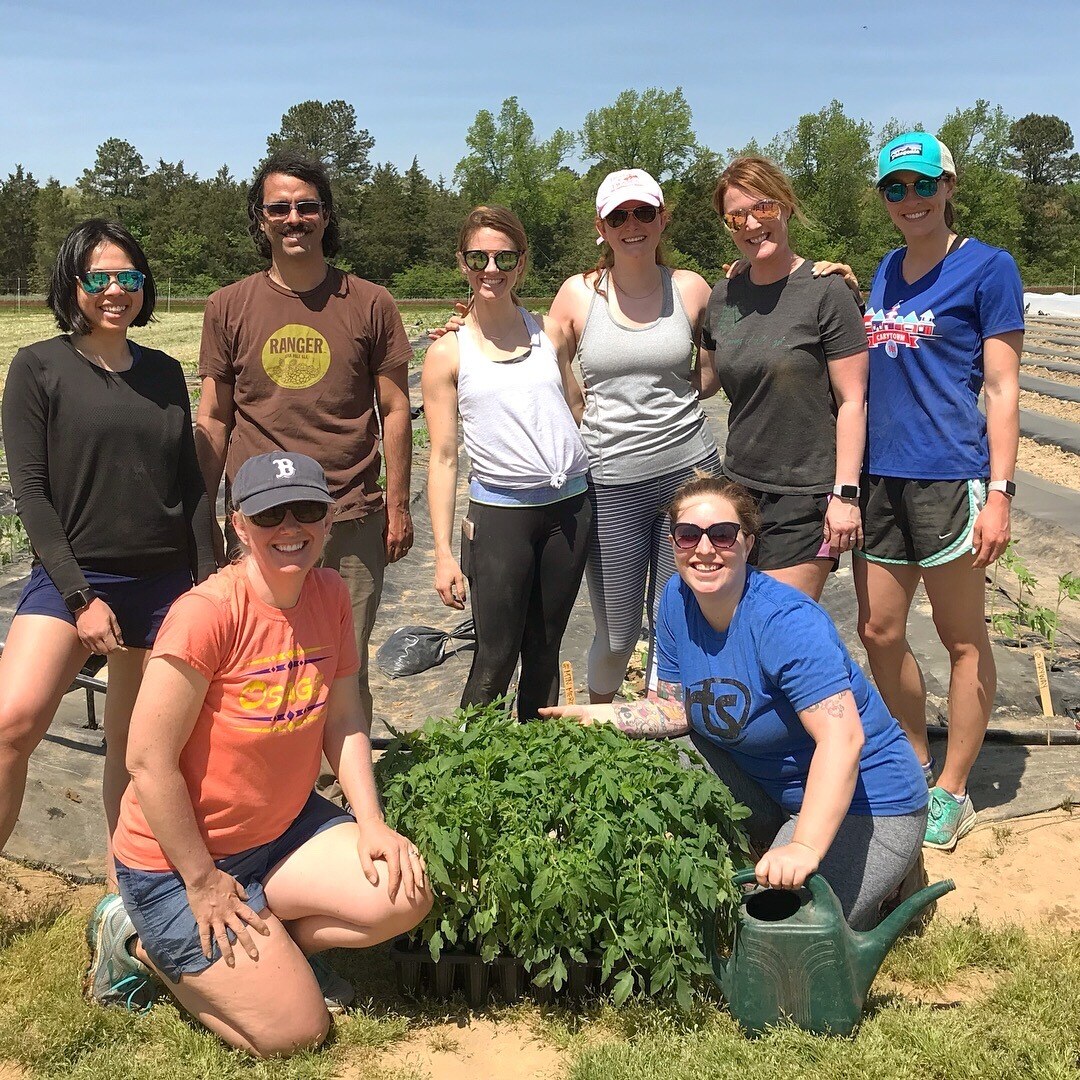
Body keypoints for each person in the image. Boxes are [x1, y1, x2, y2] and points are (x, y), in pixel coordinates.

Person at [88, 452, 432, 1058]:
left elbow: (345, 716)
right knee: (296, 1033)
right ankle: (136, 940)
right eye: (270, 514)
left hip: (280, 833)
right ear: (238, 526)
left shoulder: (328, 594)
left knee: (404, 895)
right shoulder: (208, 615)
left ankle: (269, 944)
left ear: (328, 521)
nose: (290, 527)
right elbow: (147, 760)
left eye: (306, 510)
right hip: (178, 862)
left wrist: (370, 821)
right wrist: (201, 882)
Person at [542, 474, 928, 931]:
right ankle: (776, 847)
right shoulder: (676, 600)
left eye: (722, 535)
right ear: (674, 543)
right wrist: (600, 716)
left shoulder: (785, 622)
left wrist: (803, 846)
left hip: (870, 803)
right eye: (689, 535)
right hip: (770, 792)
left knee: (779, 936)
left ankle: (892, 869)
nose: (705, 549)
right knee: (665, 758)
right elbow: (673, 709)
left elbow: (843, 740)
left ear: (747, 543)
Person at [436, 170, 720, 701]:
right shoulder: (576, 297)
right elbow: (543, 367)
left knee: (679, 621)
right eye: (618, 216)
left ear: (663, 219)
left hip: (688, 477)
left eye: (642, 213)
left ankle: (665, 740)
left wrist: (827, 280)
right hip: (610, 482)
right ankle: (601, 734)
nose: (631, 225)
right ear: (602, 227)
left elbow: (711, 372)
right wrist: (464, 326)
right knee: (615, 634)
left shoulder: (691, 289)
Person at [0, 219, 215, 873]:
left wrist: (210, 584)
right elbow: (32, 496)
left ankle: (129, 887)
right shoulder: (39, 367)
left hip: (165, 581)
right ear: (74, 284)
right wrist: (80, 597)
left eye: (130, 277)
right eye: (101, 277)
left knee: (136, 747)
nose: (116, 289)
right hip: (77, 578)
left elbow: (193, 486)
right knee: (12, 725)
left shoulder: (163, 373)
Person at [195, 150, 415, 731]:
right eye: (280, 208)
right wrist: (200, 515)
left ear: (325, 216)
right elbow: (215, 418)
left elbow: (395, 410)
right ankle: (267, 786)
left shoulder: (370, 303)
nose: (294, 218)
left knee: (343, 666)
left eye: (307, 207)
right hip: (259, 519)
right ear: (261, 218)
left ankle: (344, 792)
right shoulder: (227, 307)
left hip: (348, 514)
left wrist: (396, 506)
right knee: (257, 663)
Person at [853, 133, 1024, 850]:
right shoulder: (886, 270)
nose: (911, 200)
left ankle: (953, 791)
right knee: (878, 632)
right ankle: (916, 764)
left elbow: (1004, 386)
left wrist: (1002, 492)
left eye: (923, 185)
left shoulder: (988, 268)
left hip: (950, 477)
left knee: (960, 638)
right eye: (896, 189)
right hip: (881, 479)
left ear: (949, 185)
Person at [422, 206, 592, 720]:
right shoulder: (448, 353)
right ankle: (469, 773)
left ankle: (536, 767)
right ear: (462, 263)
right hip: (499, 518)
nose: (490, 268)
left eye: (504, 257)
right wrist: (444, 553)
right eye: (478, 257)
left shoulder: (552, 334)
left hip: (569, 512)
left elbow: (576, 406)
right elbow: (445, 457)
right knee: (494, 659)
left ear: (521, 264)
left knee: (545, 651)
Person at [699, 157, 868, 601]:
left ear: (787, 207)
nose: (752, 223)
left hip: (806, 495)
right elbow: (705, 379)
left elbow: (853, 400)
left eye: (764, 208)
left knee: (777, 624)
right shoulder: (725, 294)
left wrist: (845, 495)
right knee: (737, 622)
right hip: (738, 488)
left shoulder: (826, 290)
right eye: (737, 216)